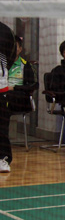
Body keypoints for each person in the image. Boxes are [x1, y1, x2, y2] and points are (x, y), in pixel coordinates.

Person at [0, 22, 17, 173]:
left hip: (0, 90)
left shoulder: (4, 31)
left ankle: (3, 158)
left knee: (2, 126)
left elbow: (11, 58)